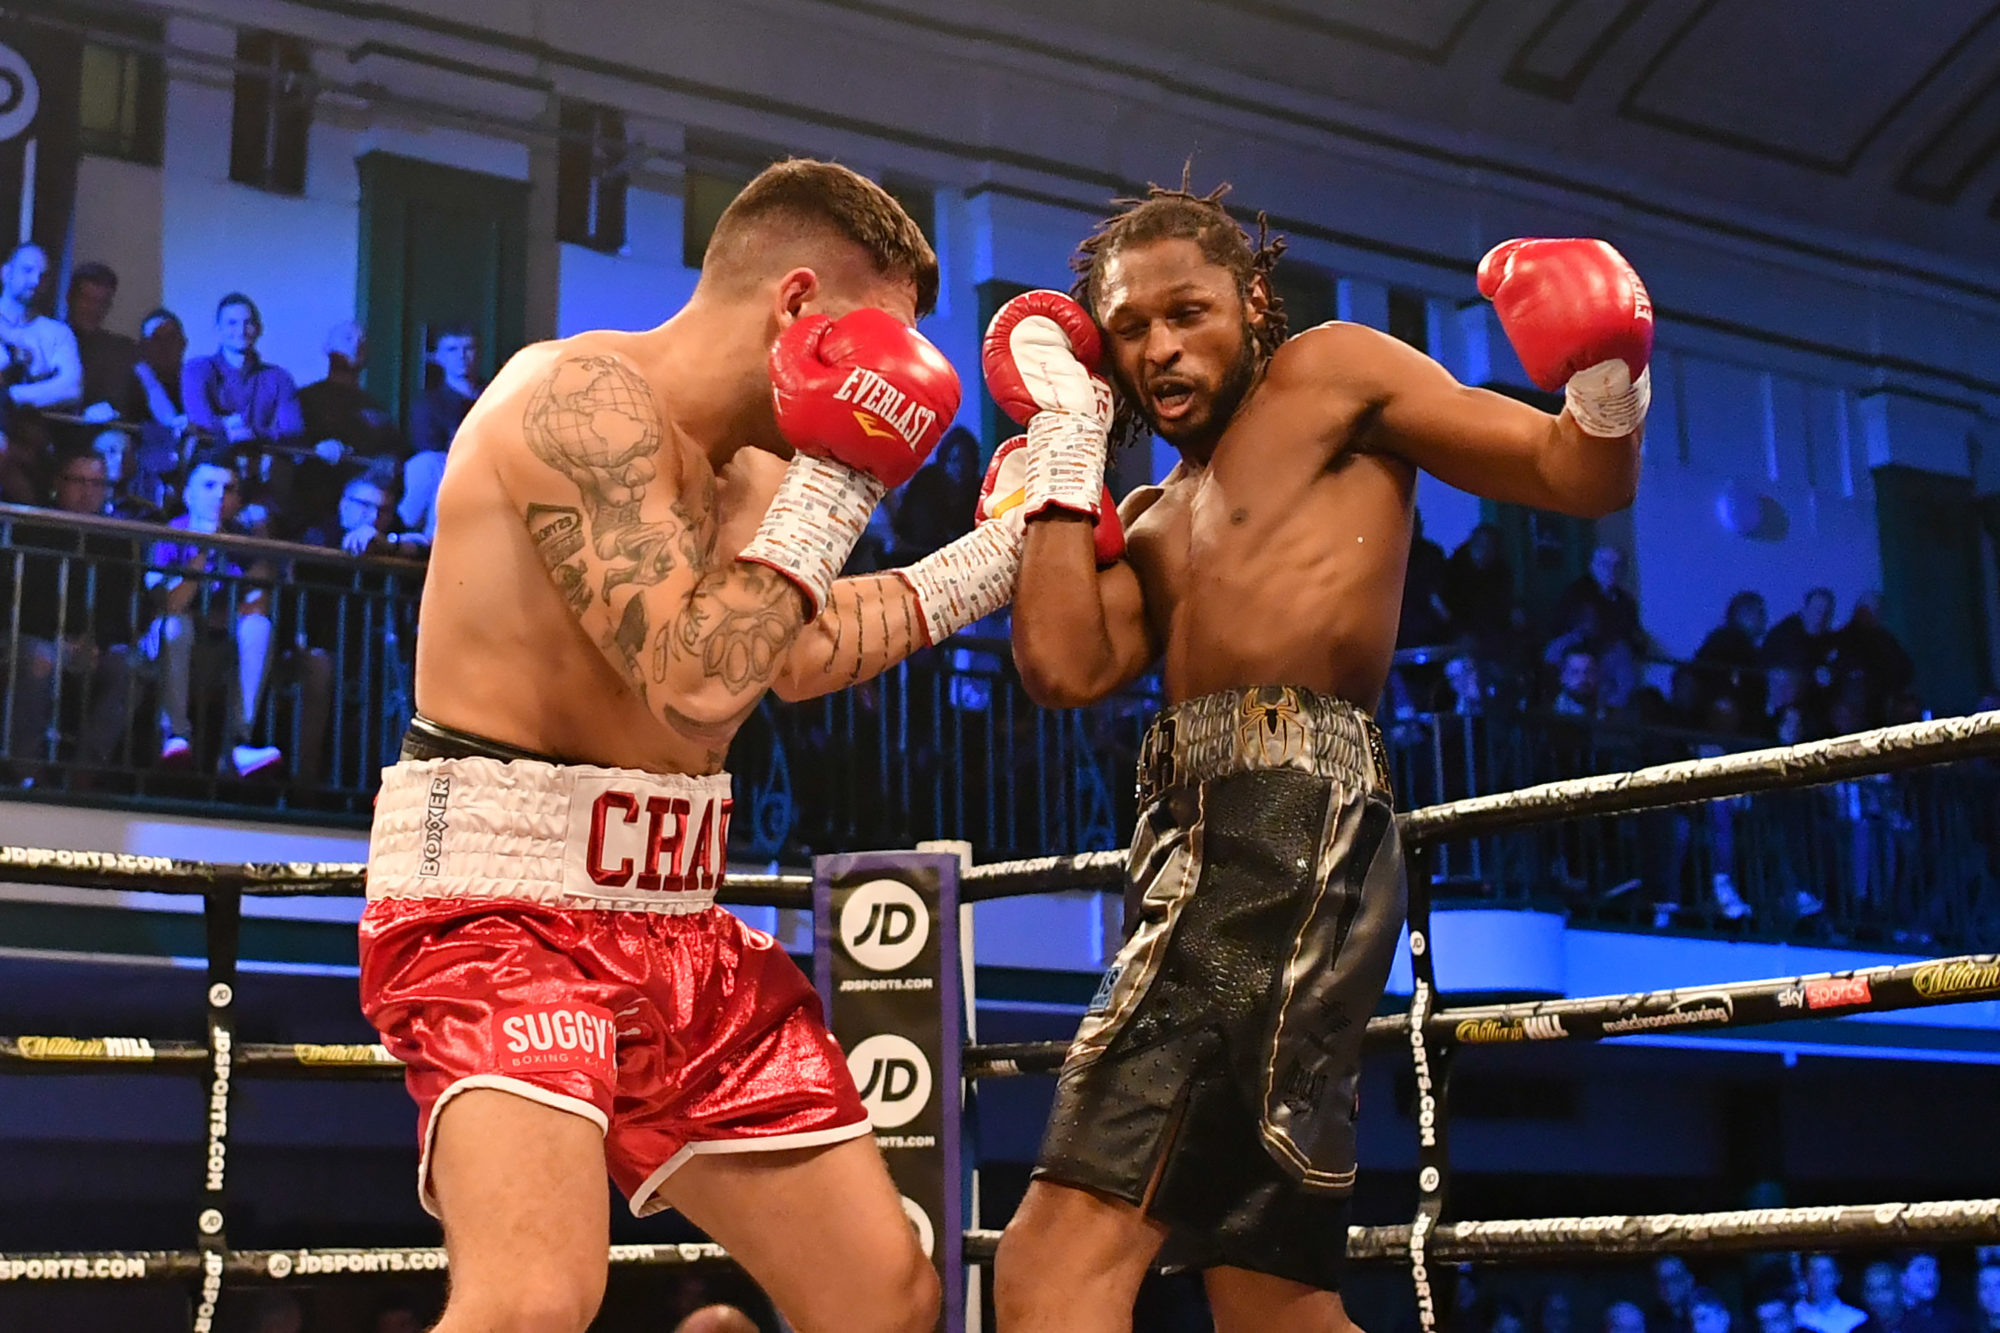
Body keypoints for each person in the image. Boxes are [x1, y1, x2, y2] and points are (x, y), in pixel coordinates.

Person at [359, 159, 1034, 1333]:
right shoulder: (578, 401)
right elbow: (693, 683)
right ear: (798, 305)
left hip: (674, 910)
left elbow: (791, 651)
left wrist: (1000, 554)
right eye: (883, 343)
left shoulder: (758, 470)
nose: (895, 387)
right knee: (531, 1302)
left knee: (882, 1298)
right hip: (501, 907)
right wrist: (847, 469)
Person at [992, 179, 1648, 1332]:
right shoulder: (1150, 515)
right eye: (1128, 328)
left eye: (1185, 312)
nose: (1158, 347)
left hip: (1279, 829)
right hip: (1201, 846)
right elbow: (1058, 665)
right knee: (1270, 1302)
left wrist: (1604, 372)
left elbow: (1575, 473)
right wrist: (1060, 444)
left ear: (1253, 301)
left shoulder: (1330, 373)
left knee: (1051, 1263)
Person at [0, 449, 142, 784]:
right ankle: (25, 766)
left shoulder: (117, 540)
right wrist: (59, 637)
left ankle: (86, 769)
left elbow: (121, 607)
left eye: (96, 483)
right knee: (40, 660)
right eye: (78, 481)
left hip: (91, 644)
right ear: (57, 484)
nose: (87, 491)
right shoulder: (31, 528)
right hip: (33, 636)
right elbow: (18, 599)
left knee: (132, 669)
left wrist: (96, 641)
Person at [142, 454, 283, 776]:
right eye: (209, 486)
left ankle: (240, 741)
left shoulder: (244, 540)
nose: (220, 495)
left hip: (219, 647)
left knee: (258, 627)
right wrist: (204, 548)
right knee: (175, 626)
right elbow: (171, 604)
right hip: (165, 646)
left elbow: (258, 603)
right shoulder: (170, 535)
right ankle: (175, 736)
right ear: (188, 494)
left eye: (229, 489)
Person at [296, 320, 401, 533]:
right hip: (317, 506)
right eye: (347, 338)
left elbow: (395, 452)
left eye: (361, 340)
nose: (355, 344)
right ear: (328, 348)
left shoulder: (375, 407)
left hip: (371, 504)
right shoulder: (305, 399)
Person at [400, 323, 484, 539]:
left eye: (468, 348)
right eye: (452, 349)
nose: (462, 356)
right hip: (445, 474)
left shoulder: (494, 396)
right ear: (439, 357)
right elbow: (428, 451)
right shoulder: (428, 403)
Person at [66, 261, 141, 422]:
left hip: (103, 431)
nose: (94, 309)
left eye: (102, 302)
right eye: (87, 300)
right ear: (71, 298)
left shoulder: (121, 349)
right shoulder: (47, 337)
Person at [1796, 1254, 1867, 1333]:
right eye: (1813, 1272)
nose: (1818, 1278)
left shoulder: (1856, 1319)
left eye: (1825, 1273)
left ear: (1838, 1278)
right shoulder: (1793, 1314)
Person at [1858, 1260, 1906, 1333]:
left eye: (1885, 1288)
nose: (1878, 1297)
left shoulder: (1920, 1325)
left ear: (1899, 1288)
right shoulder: (1860, 1331)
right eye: (1871, 1290)